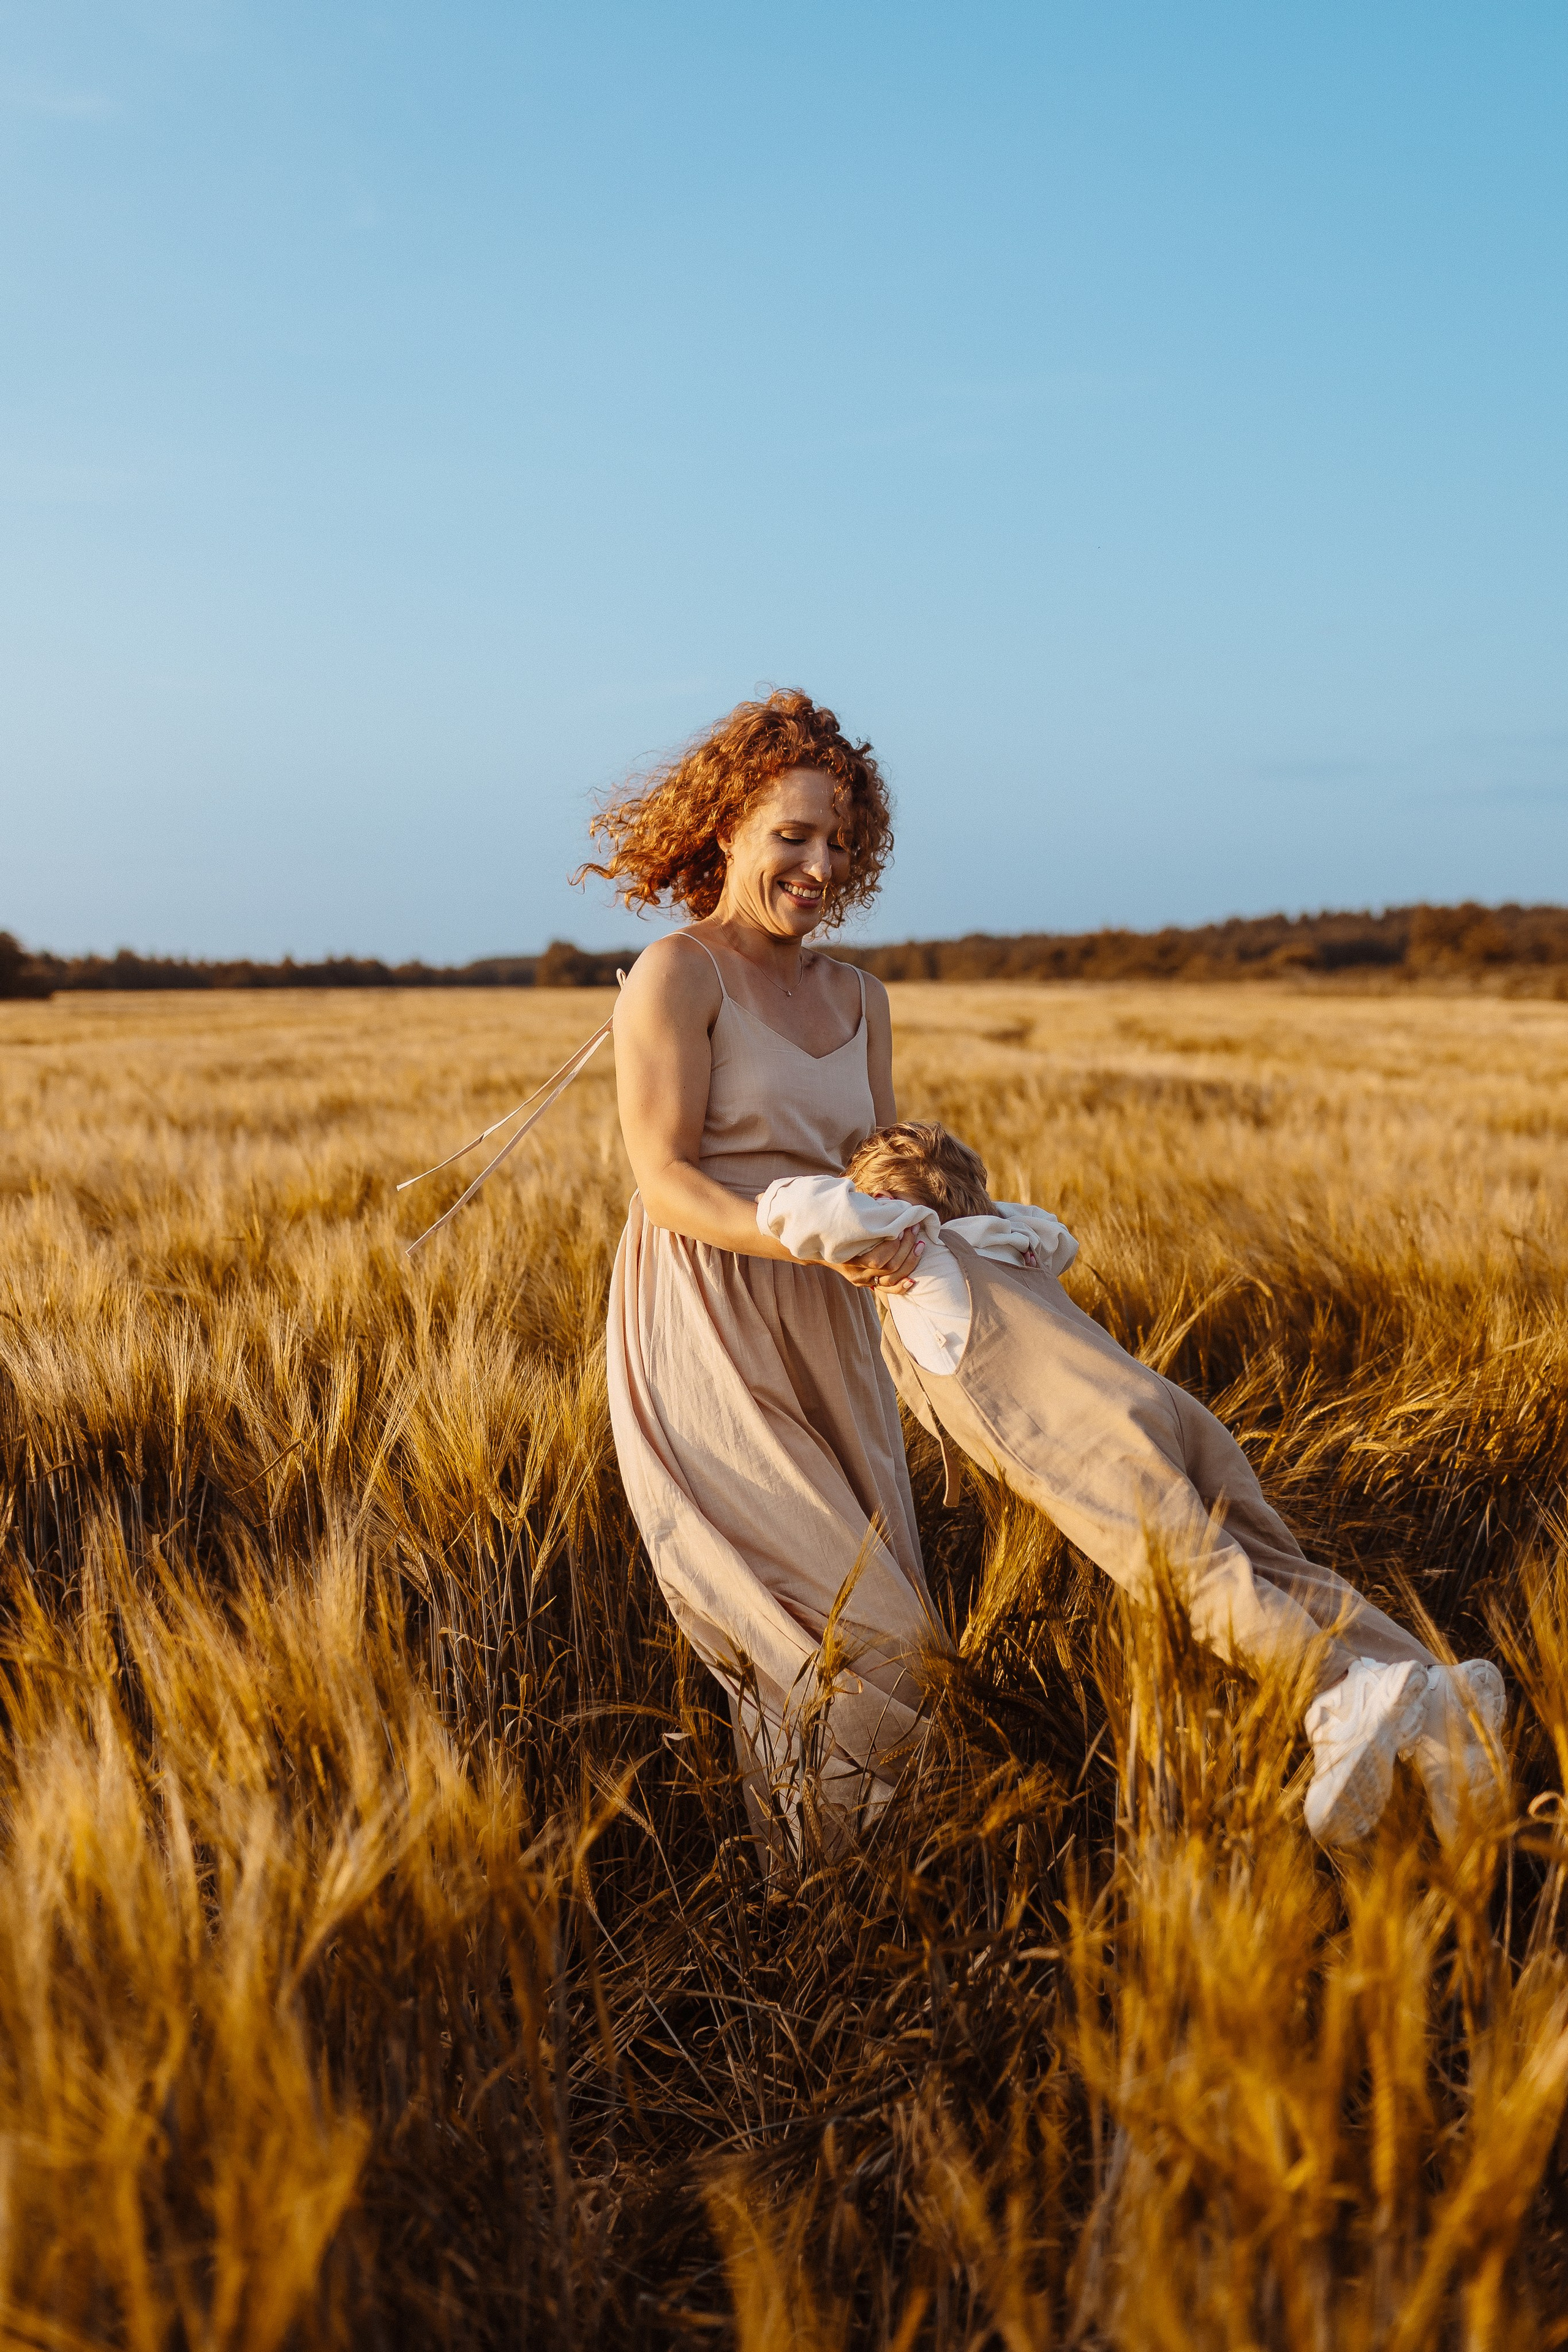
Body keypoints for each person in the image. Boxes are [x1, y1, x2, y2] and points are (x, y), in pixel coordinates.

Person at [758, 1121, 1507, 1848]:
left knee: (1193, 1580)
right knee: (1279, 1570)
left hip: (1096, 1443)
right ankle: (1440, 1699)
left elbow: (790, 1207)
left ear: (894, 1213)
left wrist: (878, 1222)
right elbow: (1053, 1231)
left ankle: (1338, 1694)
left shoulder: (925, 1265)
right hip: (1169, 1411)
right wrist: (951, 1198)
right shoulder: (1013, 1240)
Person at [587, 692, 944, 1848]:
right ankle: (817, 1895)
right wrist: (811, 1229)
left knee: (892, 1633)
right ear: (728, 827)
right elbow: (666, 1182)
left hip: (834, 1328)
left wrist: (965, 1226)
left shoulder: (861, 998)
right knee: (837, 1633)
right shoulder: (678, 974)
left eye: (839, 840)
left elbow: (879, 1168)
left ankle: (870, 1904)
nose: (819, 865)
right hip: (711, 1318)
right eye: (793, 834)